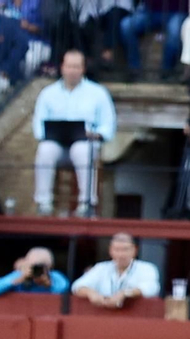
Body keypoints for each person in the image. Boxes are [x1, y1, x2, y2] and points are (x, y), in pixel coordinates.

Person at [31, 51, 115, 219]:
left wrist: (95, 134)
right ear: (62, 68)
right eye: (69, 66)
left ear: (83, 69)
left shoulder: (98, 93)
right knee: (45, 149)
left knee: (82, 149)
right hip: (57, 145)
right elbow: (38, 125)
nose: (72, 70)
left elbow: (109, 125)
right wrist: (47, 134)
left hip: (85, 144)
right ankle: (44, 203)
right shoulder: (48, 93)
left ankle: (87, 204)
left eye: (76, 66)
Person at [73, 233, 162, 308]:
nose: (121, 254)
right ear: (110, 251)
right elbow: (77, 286)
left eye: (125, 249)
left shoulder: (146, 268)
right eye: (117, 250)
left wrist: (125, 294)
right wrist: (91, 293)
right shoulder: (101, 268)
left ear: (134, 250)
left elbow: (151, 288)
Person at [0, 246, 68, 295]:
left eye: (41, 266)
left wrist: (48, 285)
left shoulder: (55, 276)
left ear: (50, 267)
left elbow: (64, 288)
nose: (36, 269)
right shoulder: (19, 275)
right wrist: (18, 280)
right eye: (33, 265)